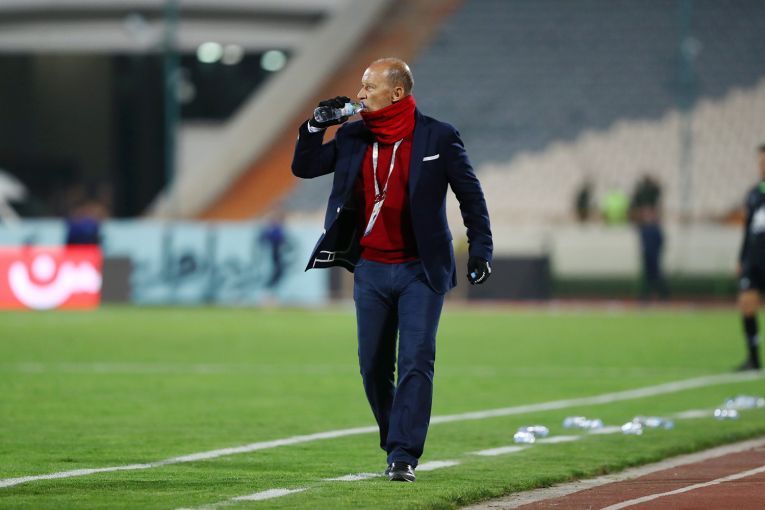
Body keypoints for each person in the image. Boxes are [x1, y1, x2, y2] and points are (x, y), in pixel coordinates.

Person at [291, 58, 492, 481]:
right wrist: (314, 126)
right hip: (371, 268)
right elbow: (305, 167)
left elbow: (470, 195)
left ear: (396, 93)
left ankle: (403, 455)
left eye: (369, 86)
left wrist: (480, 249)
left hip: (421, 269)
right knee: (372, 366)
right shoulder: (353, 135)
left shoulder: (438, 136)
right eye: (361, 86)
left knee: (416, 359)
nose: (360, 94)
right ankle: (395, 437)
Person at [735, 144, 765, 371]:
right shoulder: (754, 193)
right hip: (754, 260)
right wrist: (741, 258)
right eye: (761, 163)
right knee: (746, 304)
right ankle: (754, 359)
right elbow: (747, 229)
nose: (762, 167)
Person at [630, 174, 668, 301]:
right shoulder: (643, 203)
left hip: (650, 232)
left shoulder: (648, 200)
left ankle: (657, 292)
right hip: (648, 232)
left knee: (653, 265)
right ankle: (653, 292)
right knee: (650, 266)